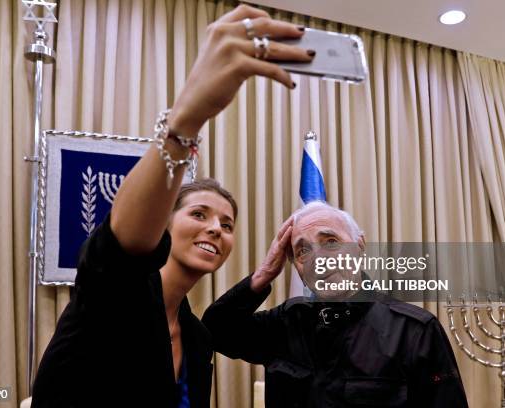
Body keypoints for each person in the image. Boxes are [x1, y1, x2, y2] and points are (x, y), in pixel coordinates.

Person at [31, 4, 315, 407]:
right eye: (199, 214)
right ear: (162, 226)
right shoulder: (112, 298)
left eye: (227, 224)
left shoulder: (197, 339)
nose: (216, 228)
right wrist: (188, 119)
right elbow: (118, 249)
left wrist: (266, 272)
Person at [202, 201, 470, 407]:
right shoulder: (286, 322)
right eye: (303, 250)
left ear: (360, 246)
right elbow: (215, 331)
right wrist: (265, 272)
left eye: (330, 242)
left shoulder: (414, 331)